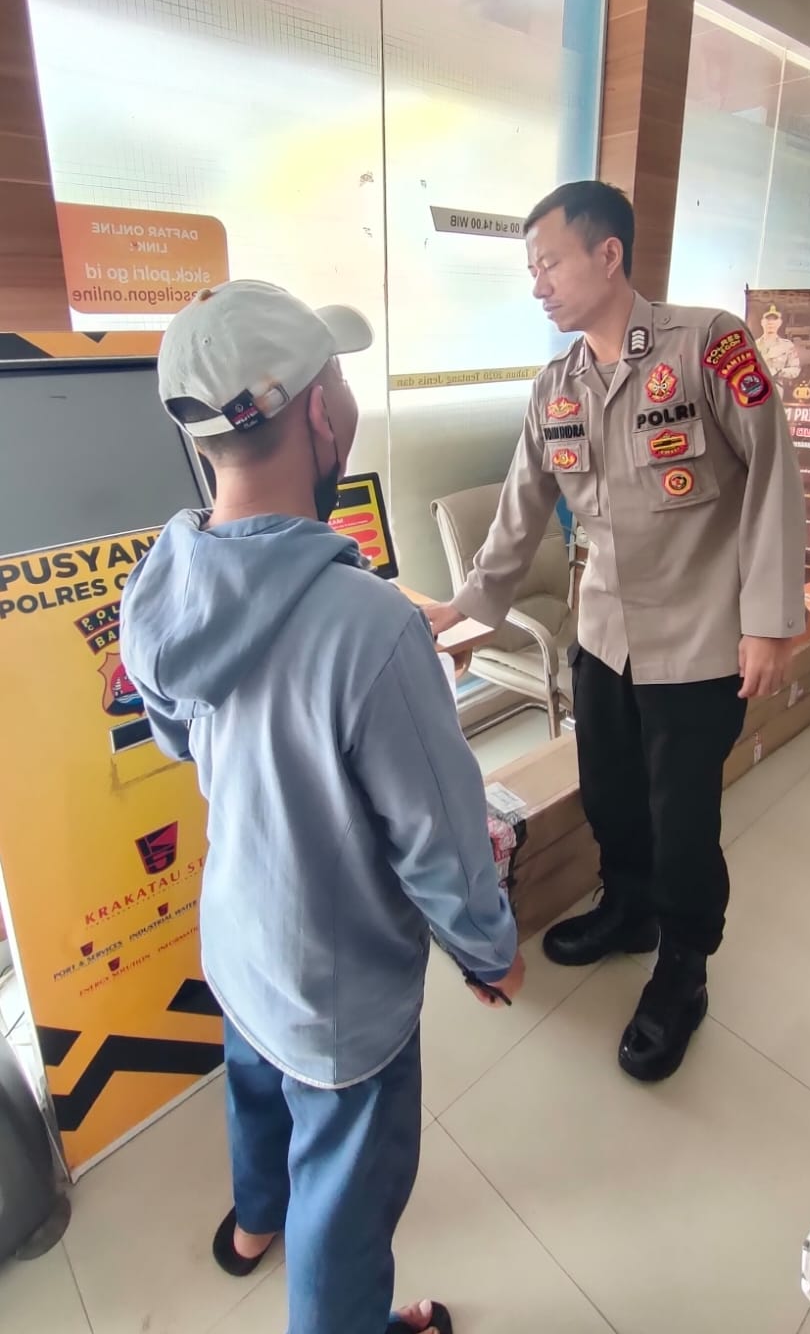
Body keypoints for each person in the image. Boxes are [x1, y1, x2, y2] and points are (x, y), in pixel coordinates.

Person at [120, 280, 523, 1334]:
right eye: (339, 379)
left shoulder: (159, 582)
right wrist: (488, 950)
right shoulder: (371, 625)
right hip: (340, 993)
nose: (345, 398)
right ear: (317, 412)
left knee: (256, 1086)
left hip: (238, 934)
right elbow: (439, 836)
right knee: (346, 1205)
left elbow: (178, 736)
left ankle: (252, 1224)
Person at [427, 181, 806, 1084]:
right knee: (609, 794)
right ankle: (628, 908)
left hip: (700, 639)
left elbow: (771, 477)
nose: (536, 286)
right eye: (529, 270)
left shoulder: (706, 344)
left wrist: (768, 623)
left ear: (607, 255)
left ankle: (683, 966)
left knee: (683, 821)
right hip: (602, 635)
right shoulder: (555, 386)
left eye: (549, 264)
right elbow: (520, 508)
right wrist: (469, 611)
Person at [756, 303, 801, 397]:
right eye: (768, 319)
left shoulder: (787, 346)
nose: (771, 323)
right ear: (762, 322)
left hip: (776, 392)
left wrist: (777, 371)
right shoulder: (753, 345)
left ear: (780, 322)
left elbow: (795, 370)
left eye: (774, 319)